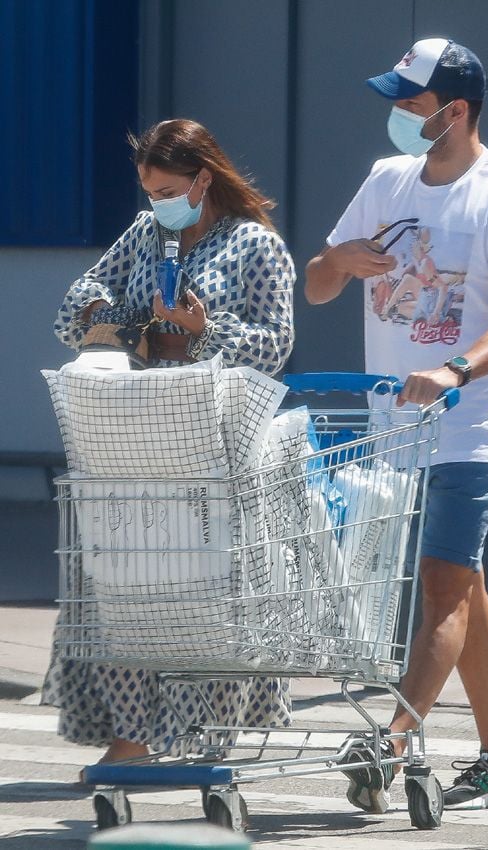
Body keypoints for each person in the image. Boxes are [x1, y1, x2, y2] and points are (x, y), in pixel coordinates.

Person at [305, 38, 488, 812]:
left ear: (455, 110)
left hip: (472, 422)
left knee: (441, 588)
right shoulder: (384, 182)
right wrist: (339, 260)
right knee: (465, 589)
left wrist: (452, 373)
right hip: (392, 429)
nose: (396, 115)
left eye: (409, 103)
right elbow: (316, 285)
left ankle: (394, 739)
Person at [42, 118, 296, 773]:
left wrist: (205, 331)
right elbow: (72, 312)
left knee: (200, 589)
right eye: (148, 189)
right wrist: (116, 318)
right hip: (133, 436)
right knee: (127, 586)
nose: (156, 201)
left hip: (212, 441)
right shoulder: (143, 234)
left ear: (202, 179)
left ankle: (195, 729)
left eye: (166, 188)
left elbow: (275, 342)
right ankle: (130, 733)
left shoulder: (253, 246)